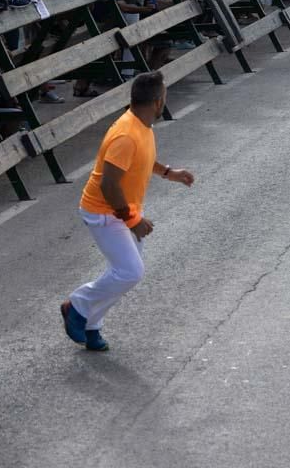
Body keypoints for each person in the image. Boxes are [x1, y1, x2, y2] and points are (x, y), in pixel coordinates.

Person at [61, 72, 195, 352]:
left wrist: (170, 172)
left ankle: (91, 325)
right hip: (103, 212)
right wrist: (133, 220)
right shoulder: (126, 135)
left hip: (121, 210)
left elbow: (142, 159)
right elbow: (108, 184)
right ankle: (78, 305)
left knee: (123, 275)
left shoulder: (141, 126)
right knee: (129, 272)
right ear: (158, 102)